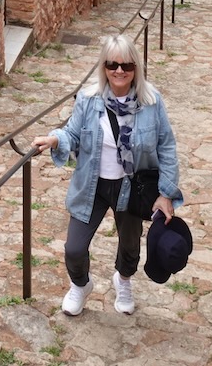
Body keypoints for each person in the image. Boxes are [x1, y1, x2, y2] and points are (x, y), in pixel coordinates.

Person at [32, 33, 182, 316]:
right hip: (92, 185)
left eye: (126, 65)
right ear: (104, 67)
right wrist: (54, 139)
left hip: (132, 187)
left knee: (130, 246)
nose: (119, 71)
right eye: (113, 64)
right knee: (74, 248)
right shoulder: (89, 99)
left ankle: (123, 280)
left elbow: (166, 146)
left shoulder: (151, 101)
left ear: (136, 67)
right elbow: (73, 133)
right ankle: (80, 285)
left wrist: (166, 193)